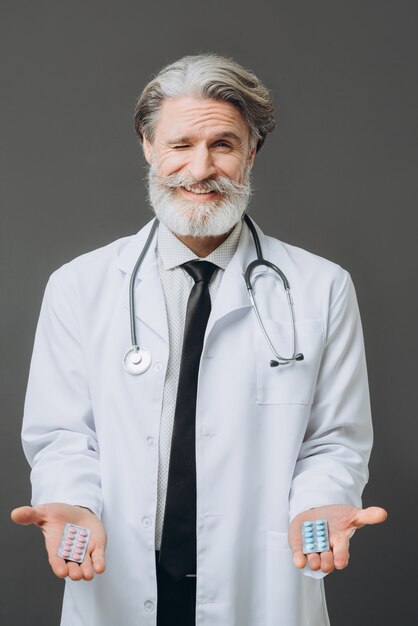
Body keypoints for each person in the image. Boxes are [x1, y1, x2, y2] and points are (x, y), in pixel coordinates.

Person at [11, 54, 387, 626]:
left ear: (251, 154)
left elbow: (333, 440)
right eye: (181, 143)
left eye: (223, 145)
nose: (201, 167)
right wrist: (71, 501)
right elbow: (64, 434)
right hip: (119, 575)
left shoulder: (321, 287)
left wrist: (321, 504)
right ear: (148, 147)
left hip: (259, 582)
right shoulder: (77, 286)